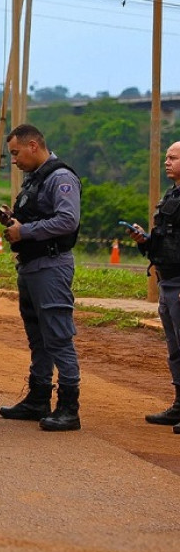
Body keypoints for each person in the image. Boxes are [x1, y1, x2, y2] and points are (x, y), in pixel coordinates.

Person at [0, 124, 83, 432]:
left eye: (16, 153)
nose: (14, 160)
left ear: (34, 146)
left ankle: (69, 406)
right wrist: (14, 222)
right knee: (38, 337)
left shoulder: (61, 178)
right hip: (31, 265)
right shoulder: (35, 179)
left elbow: (68, 220)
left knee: (58, 336)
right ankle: (38, 397)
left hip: (51, 266)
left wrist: (25, 231)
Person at [126, 141, 180, 432]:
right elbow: (167, 242)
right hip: (167, 279)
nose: (167, 162)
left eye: (173, 158)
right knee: (174, 348)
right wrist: (145, 241)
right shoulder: (172, 195)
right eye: (167, 157)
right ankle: (179, 405)